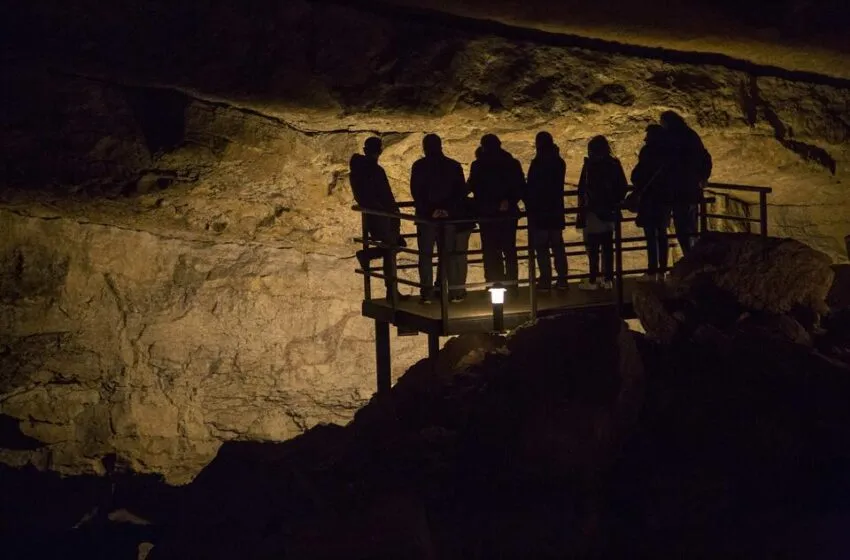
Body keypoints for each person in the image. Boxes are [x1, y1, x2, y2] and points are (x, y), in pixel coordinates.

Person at [410, 134, 469, 304]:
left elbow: (417, 192)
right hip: (448, 218)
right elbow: (459, 193)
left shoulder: (419, 166)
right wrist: (447, 210)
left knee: (426, 256)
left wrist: (430, 211)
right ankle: (447, 290)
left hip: (427, 219)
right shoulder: (453, 166)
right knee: (447, 255)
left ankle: (427, 293)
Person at [349, 136, 408, 300]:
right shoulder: (374, 170)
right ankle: (391, 291)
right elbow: (385, 195)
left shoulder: (357, 171)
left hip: (373, 216)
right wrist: (393, 215)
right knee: (392, 248)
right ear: (380, 151)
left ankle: (390, 289)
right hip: (382, 216)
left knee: (393, 247)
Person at [468, 134, 525, 290]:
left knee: (490, 250)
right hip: (508, 213)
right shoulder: (512, 163)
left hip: (487, 214)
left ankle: (493, 283)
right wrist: (509, 201)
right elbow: (520, 186)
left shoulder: (478, 165)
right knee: (509, 249)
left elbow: (472, 186)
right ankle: (512, 284)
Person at [576, 135, 627, 291]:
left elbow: (582, 188)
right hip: (609, 211)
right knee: (607, 246)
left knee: (593, 247)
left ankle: (593, 279)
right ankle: (608, 279)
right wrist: (614, 202)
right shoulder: (614, 164)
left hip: (593, 211)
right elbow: (622, 186)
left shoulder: (590, 166)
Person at [660, 110, 712, 255]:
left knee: (681, 225)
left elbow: (667, 164)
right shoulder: (691, 135)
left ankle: (689, 255)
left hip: (679, 189)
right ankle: (694, 255)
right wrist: (703, 177)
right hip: (692, 187)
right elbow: (705, 158)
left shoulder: (670, 138)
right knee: (691, 224)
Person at [526, 131, 568, 290]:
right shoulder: (559, 162)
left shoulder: (538, 163)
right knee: (558, 246)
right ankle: (562, 279)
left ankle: (545, 279)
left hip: (540, 212)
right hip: (556, 211)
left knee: (542, 248)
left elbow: (532, 186)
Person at [631, 124, 673, 281]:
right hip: (664, 198)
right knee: (662, 233)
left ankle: (652, 270)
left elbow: (638, 174)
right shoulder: (668, 152)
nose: (645, 138)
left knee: (650, 235)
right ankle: (662, 271)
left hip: (650, 198)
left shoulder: (647, 152)